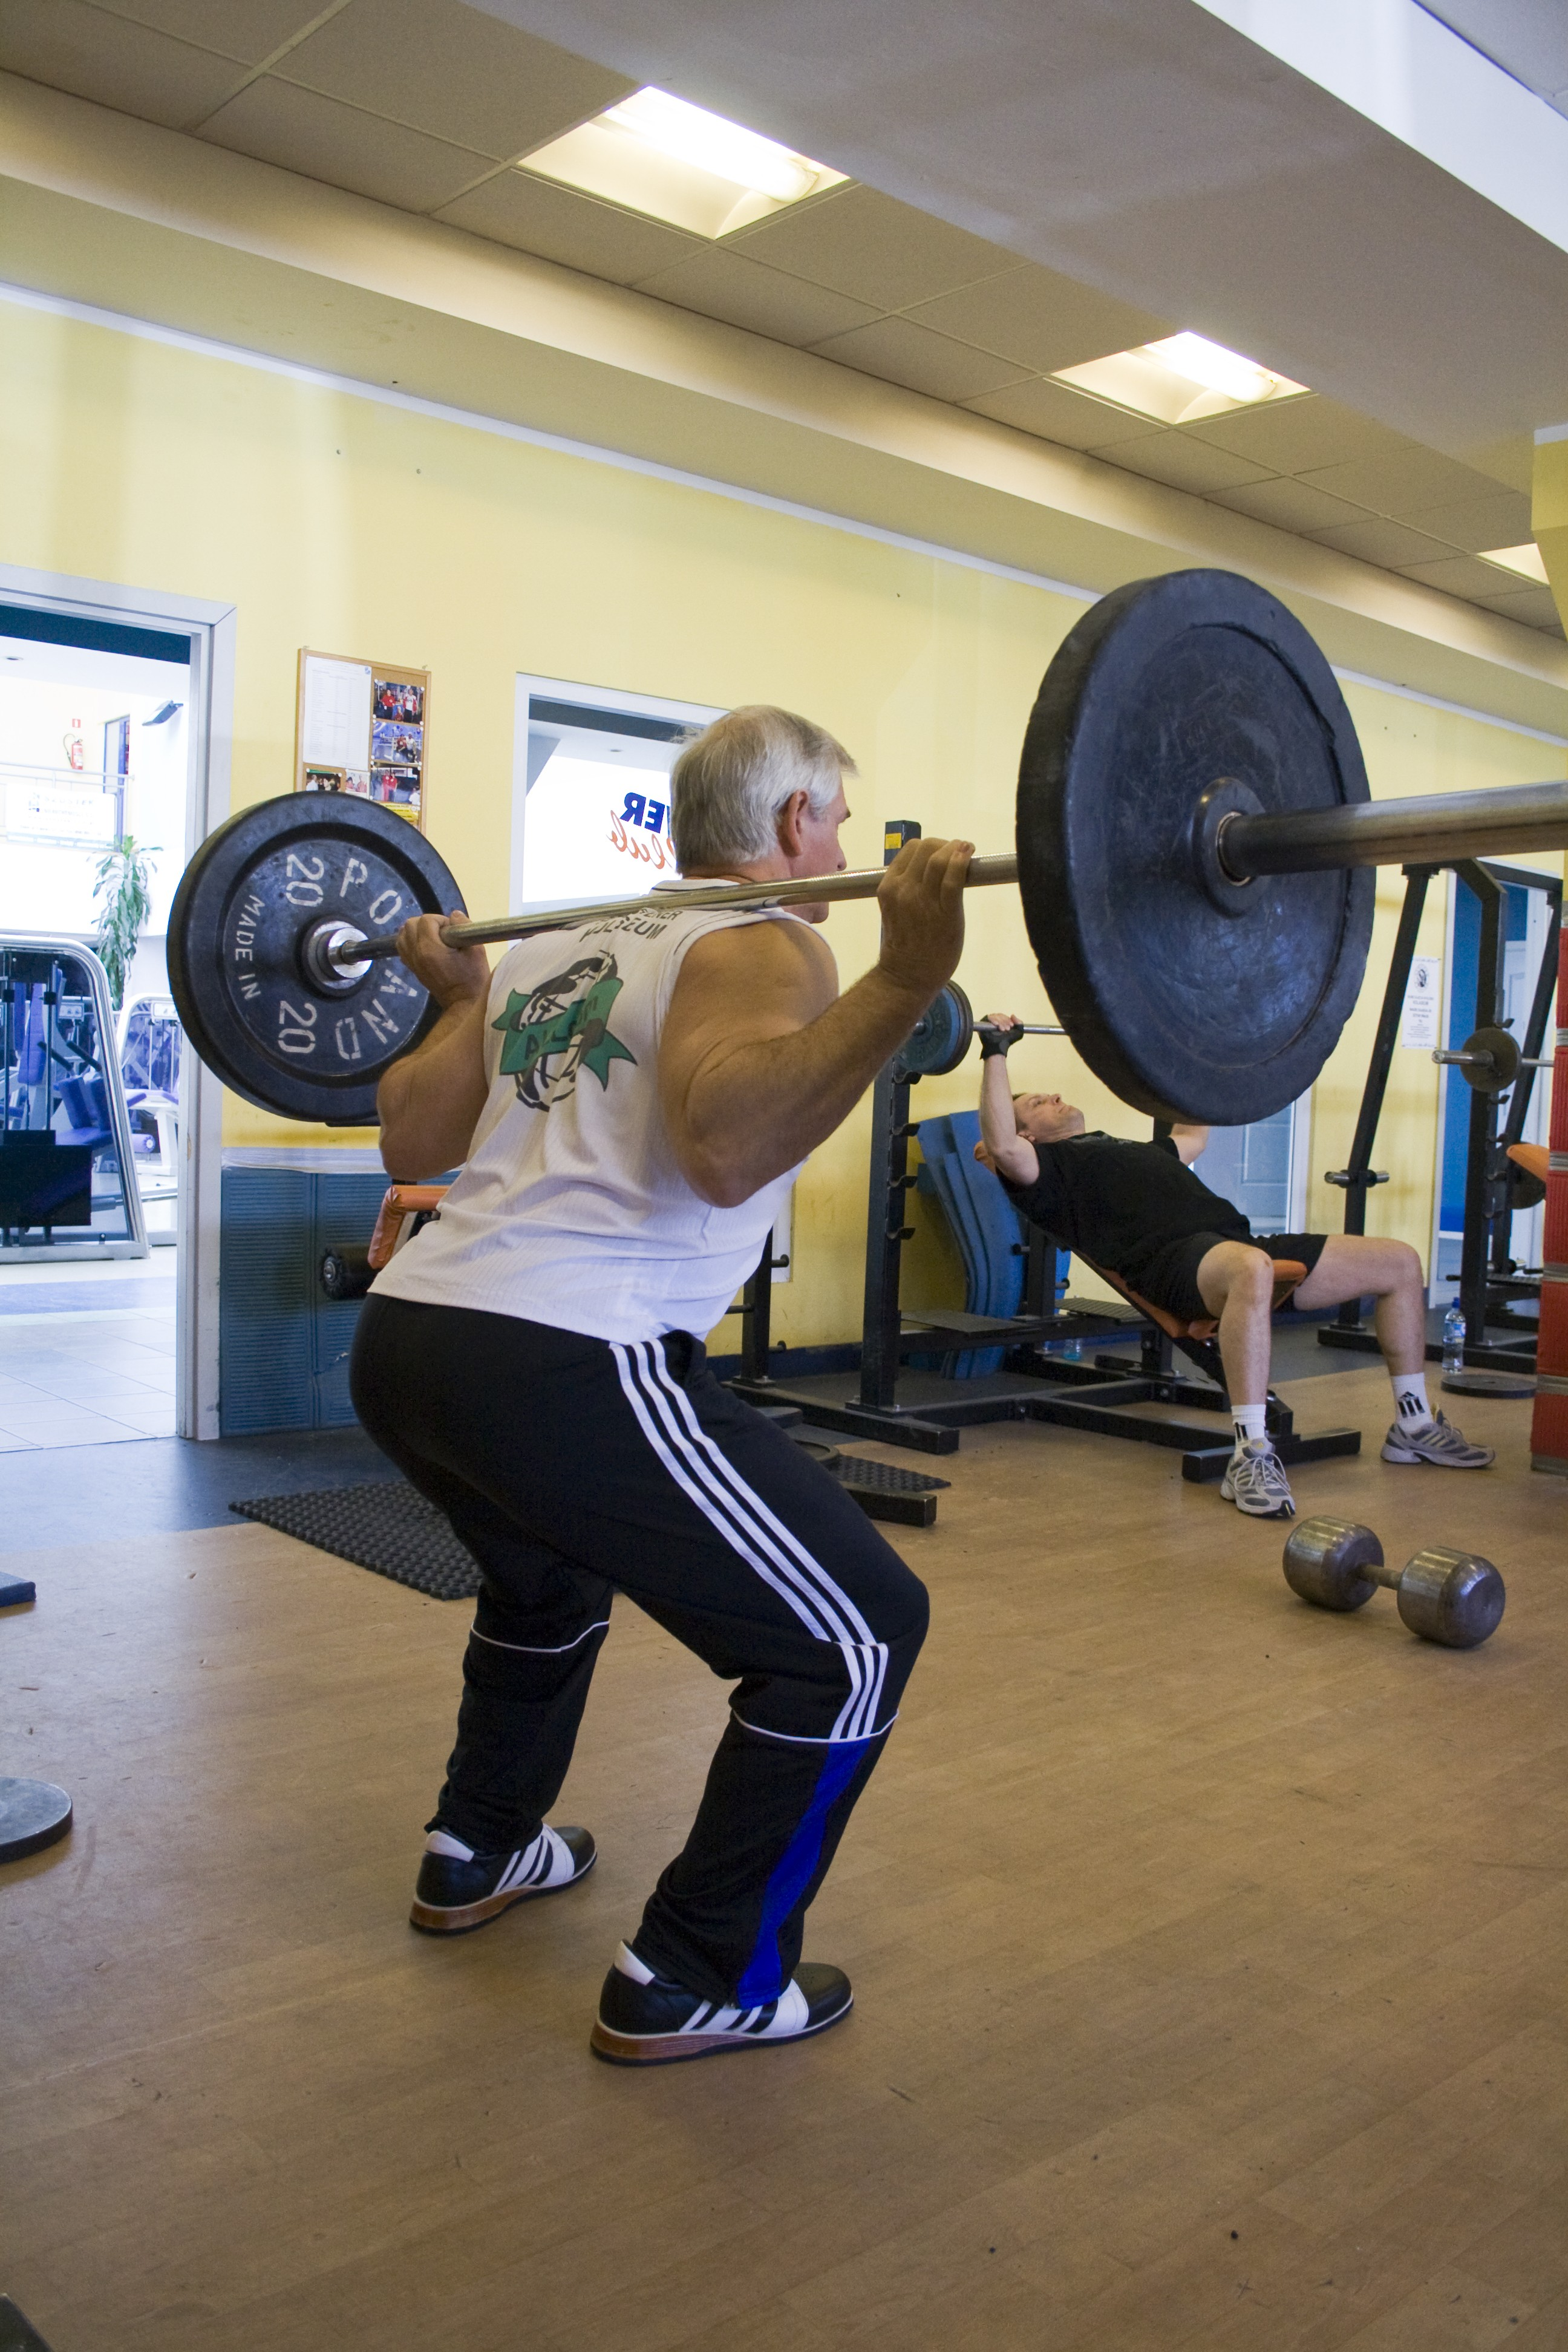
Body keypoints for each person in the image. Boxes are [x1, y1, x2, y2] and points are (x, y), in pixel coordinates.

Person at [349, 707, 972, 2065]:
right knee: (855, 1640)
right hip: (564, 1350)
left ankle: (479, 1846)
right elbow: (727, 1146)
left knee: (545, 1586)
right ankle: (702, 1970)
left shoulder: (564, 943)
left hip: (411, 1344)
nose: (849, 847)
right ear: (798, 822)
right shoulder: (768, 937)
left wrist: (464, 1000)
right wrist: (903, 982)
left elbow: (408, 1136)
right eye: (842, 821)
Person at [974, 1016, 1493, 1519]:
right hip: (1172, 1264)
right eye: (1037, 1104)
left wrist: (1203, 1056)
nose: (1054, 1098)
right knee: (1252, 1268)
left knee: (1400, 1262)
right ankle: (1251, 1453)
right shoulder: (1046, 1175)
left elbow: (1194, 1136)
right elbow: (999, 1144)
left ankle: (1414, 1425)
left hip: (1236, 1243)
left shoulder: (1131, 1149)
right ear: (1030, 1137)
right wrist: (997, 1050)